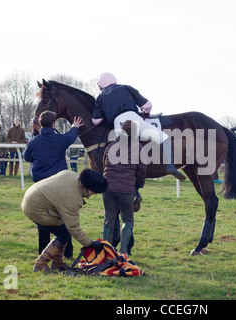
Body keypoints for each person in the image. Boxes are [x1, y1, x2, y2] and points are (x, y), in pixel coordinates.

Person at [92, 72, 185, 181]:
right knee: (164, 138)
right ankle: (170, 166)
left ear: (101, 85)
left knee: (125, 155)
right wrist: (146, 111)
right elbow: (147, 105)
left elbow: (96, 121)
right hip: (135, 119)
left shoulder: (100, 97)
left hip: (118, 124)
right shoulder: (126, 88)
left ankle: (131, 186)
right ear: (114, 81)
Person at [21, 169, 108, 272]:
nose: (95, 194)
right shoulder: (73, 197)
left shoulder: (71, 175)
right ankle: (40, 264)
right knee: (64, 235)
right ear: (88, 188)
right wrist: (89, 243)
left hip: (31, 198)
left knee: (64, 232)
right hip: (36, 208)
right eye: (95, 192)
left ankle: (57, 263)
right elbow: (73, 227)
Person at [24, 110, 83, 259]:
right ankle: (67, 253)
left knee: (42, 221)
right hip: (59, 186)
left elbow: (27, 157)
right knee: (64, 218)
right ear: (53, 123)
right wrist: (75, 126)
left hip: (41, 185)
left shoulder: (34, 142)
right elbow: (70, 136)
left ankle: (43, 252)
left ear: (40, 123)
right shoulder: (60, 140)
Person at [101, 121, 147, 255]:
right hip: (126, 189)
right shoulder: (138, 147)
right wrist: (139, 185)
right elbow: (142, 170)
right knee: (127, 220)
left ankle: (106, 252)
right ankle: (123, 251)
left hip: (108, 187)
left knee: (108, 220)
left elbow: (105, 165)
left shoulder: (111, 145)